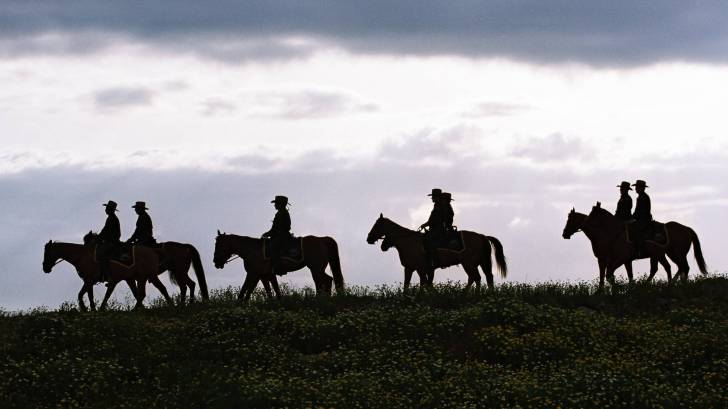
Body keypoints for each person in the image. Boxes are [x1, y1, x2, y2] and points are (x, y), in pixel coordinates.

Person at [262, 195, 292, 275]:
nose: (275, 205)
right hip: (279, 235)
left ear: (280, 204)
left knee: (272, 247)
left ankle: (278, 268)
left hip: (283, 236)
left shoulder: (284, 213)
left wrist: (274, 233)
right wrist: (267, 234)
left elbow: (286, 227)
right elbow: (273, 228)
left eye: (276, 203)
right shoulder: (279, 213)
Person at [419, 188, 444, 268]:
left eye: (434, 197)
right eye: (432, 197)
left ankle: (433, 259)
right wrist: (426, 224)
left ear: (438, 197)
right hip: (435, 228)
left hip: (438, 229)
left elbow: (434, 219)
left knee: (429, 240)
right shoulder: (437, 205)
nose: (432, 198)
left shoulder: (439, 206)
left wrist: (426, 224)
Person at [98, 200, 121, 282]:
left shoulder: (113, 219)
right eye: (106, 208)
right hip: (110, 241)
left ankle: (107, 275)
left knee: (102, 255)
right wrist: (98, 237)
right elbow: (104, 230)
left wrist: (101, 238)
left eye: (107, 208)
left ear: (110, 209)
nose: (105, 210)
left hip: (112, 242)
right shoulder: (110, 218)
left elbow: (107, 232)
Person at [632, 180, 653, 256]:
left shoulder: (643, 197)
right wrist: (633, 217)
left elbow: (642, 211)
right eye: (636, 187)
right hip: (640, 218)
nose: (636, 189)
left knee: (637, 230)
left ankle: (640, 249)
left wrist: (634, 217)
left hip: (644, 219)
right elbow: (637, 210)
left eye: (637, 187)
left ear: (642, 188)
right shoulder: (640, 197)